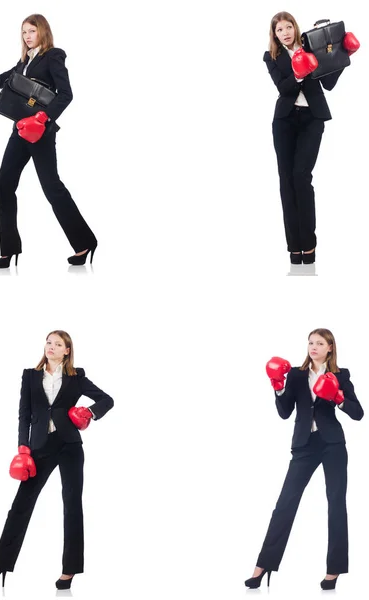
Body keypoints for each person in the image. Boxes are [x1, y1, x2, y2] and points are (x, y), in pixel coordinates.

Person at [0, 330, 114, 590]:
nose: (51, 346)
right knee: (20, 506)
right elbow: (24, 414)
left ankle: (69, 571)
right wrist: (23, 447)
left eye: (58, 344)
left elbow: (107, 400)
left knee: (72, 505)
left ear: (67, 350)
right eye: (49, 342)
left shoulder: (77, 377)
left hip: (70, 445)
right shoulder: (30, 376)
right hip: (39, 446)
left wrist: (89, 412)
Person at [0, 15, 98, 268]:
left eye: (32, 30)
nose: (27, 36)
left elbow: (66, 94)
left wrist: (43, 117)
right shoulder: (23, 62)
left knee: (51, 187)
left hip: (41, 132)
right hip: (19, 130)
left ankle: (85, 242)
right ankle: (9, 250)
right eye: (23, 32)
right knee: (4, 184)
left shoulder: (53, 56)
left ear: (42, 31)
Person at [245, 328, 363, 590]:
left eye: (320, 343)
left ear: (330, 347)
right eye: (311, 342)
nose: (314, 347)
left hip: (332, 444)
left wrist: (339, 397)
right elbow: (285, 412)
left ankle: (334, 571)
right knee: (285, 504)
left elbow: (358, 413)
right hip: (304, 445)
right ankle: (262, 566)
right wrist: (277, 386)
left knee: (336, 503)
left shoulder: (341, 375)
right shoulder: (296, 375)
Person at [263, 12, 359, 264]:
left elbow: (328, 83)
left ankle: (309, 245)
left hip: (312, 119)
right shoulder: (271, 56)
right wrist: (297, 73)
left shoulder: (312, 45)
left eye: (288, 26)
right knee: (287, 181)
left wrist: (342, 57)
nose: (284, 32)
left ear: (295, 27)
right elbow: (283, 88)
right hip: (284, 121)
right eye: (279, 29)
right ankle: (294, 247)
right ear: (274, 34)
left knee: (301, 177)